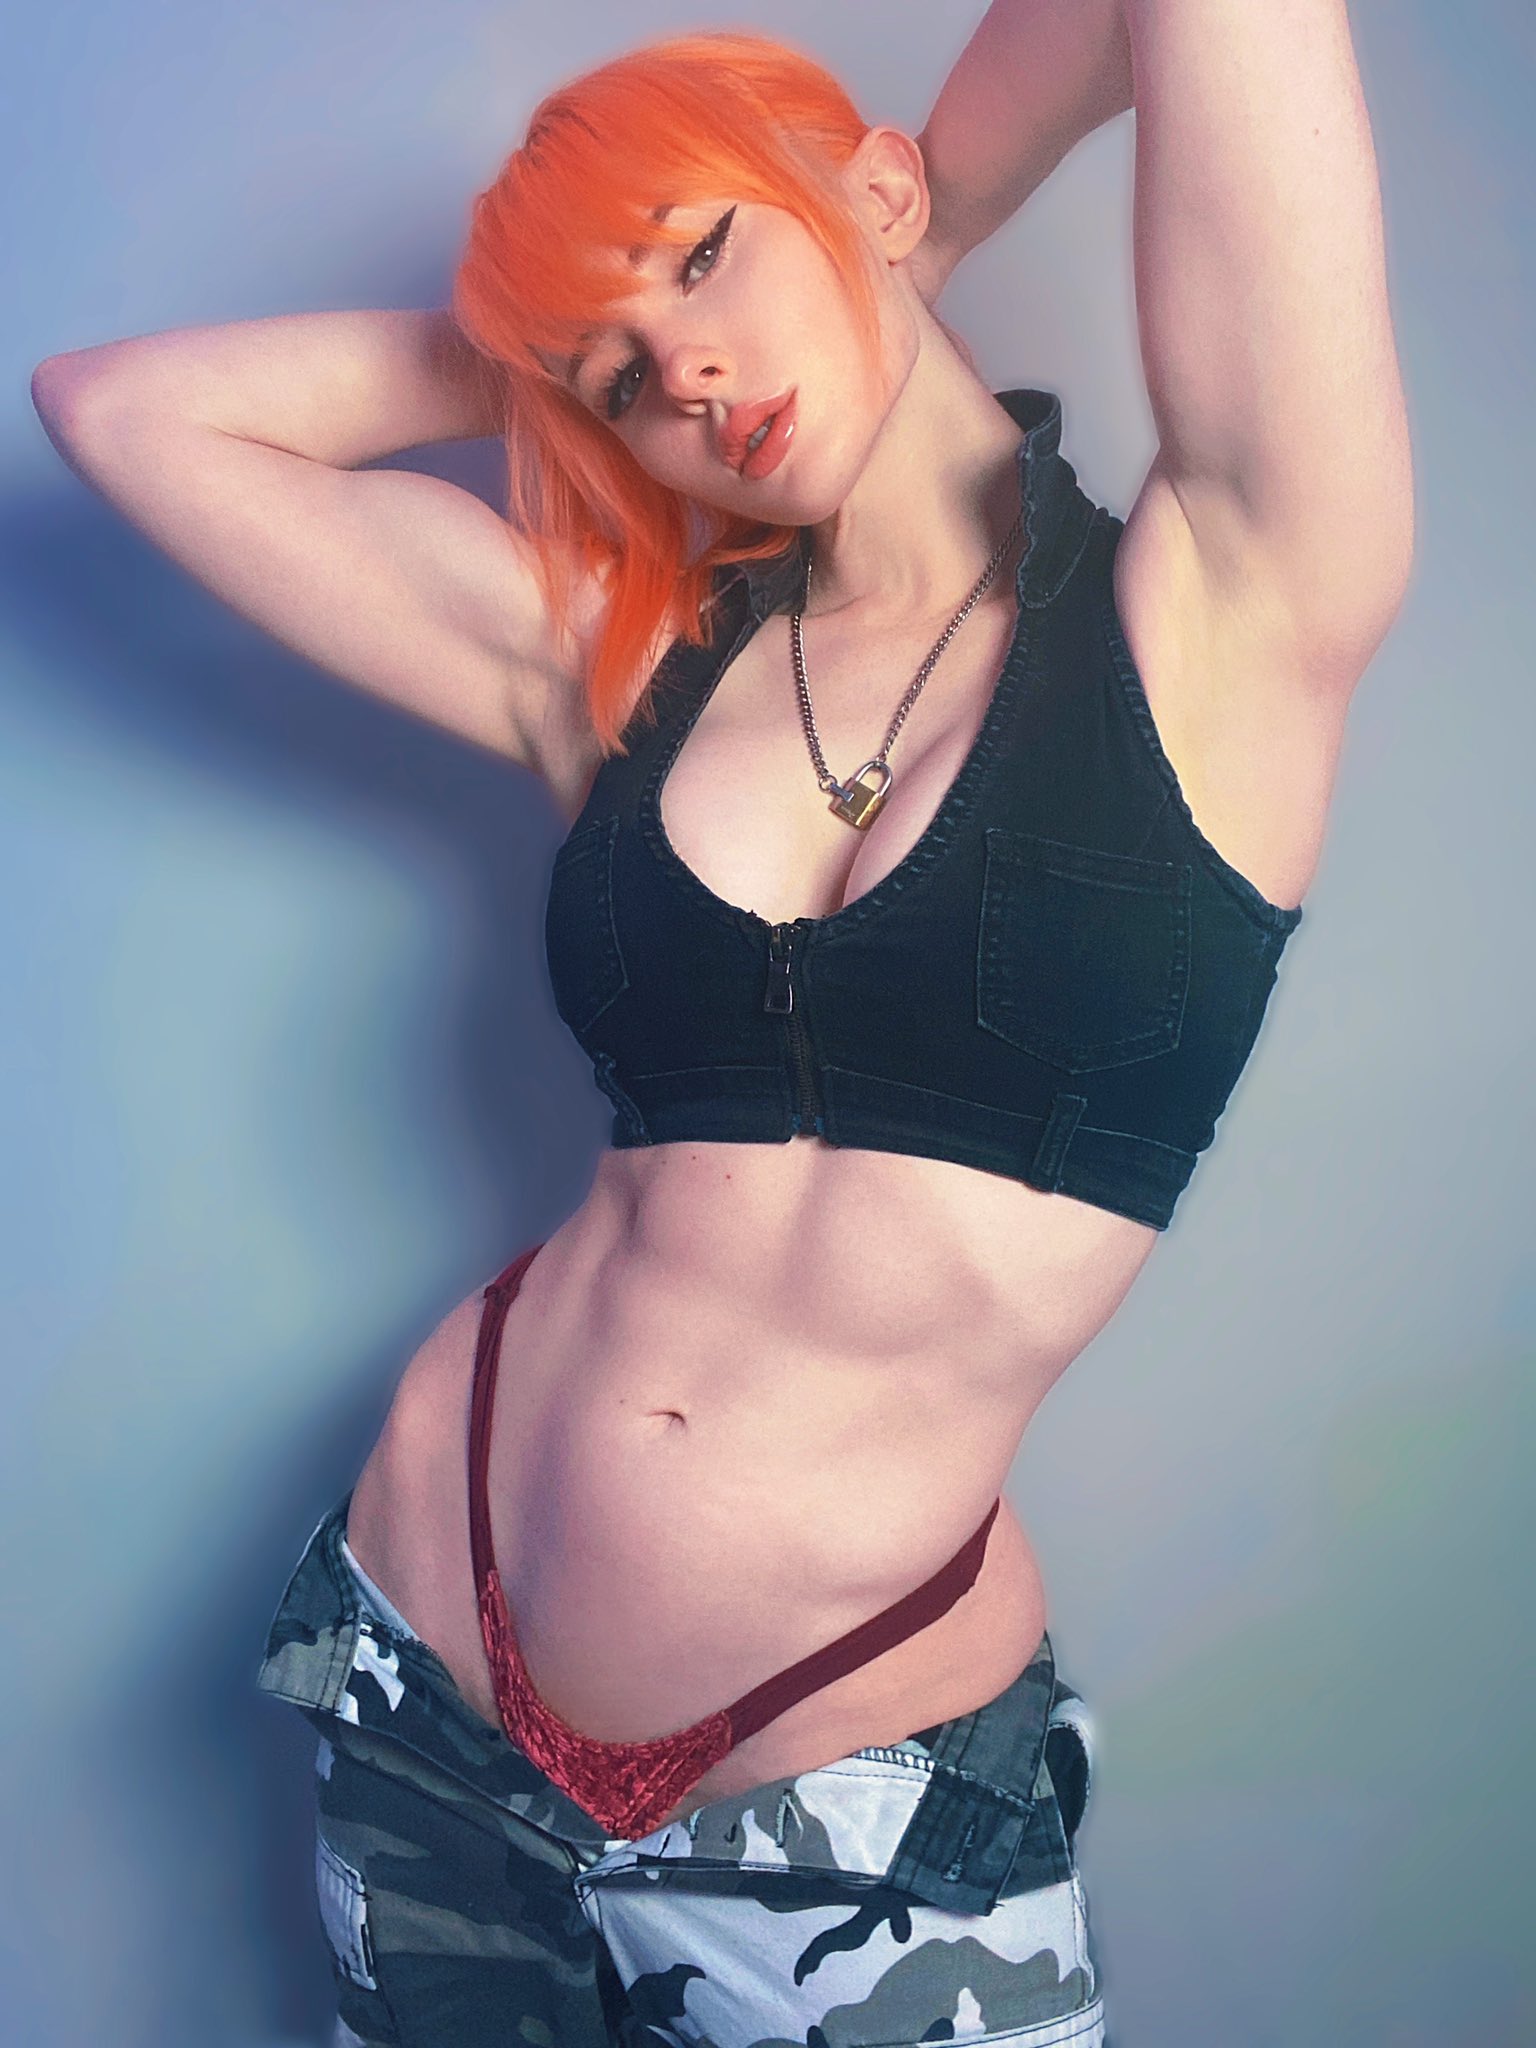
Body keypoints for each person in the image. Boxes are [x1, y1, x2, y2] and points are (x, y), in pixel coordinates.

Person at [31, 5, 1413, 2043]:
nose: (681, 370)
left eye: (703, 254)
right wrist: (538, 345)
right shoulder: (630, 672)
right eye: (619, 373)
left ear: (867, 190)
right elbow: (117, 412)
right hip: (427, 1664)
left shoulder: (1232, 601)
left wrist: (919, 208)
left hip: (843, 1783)